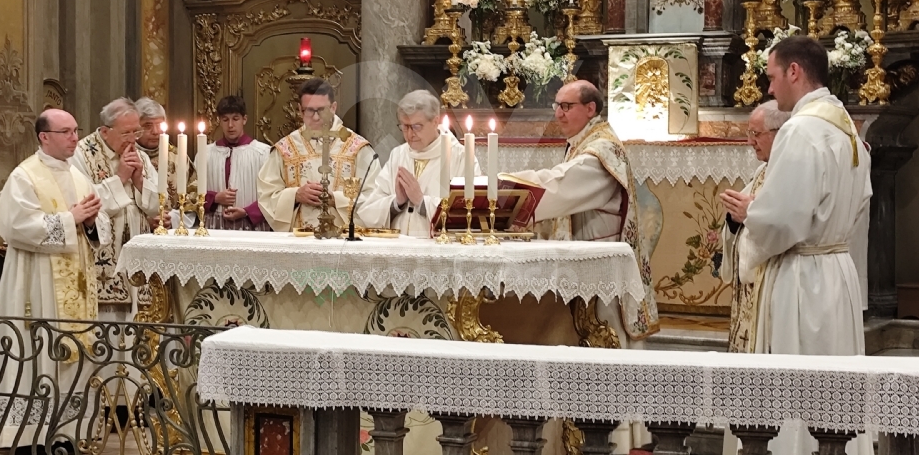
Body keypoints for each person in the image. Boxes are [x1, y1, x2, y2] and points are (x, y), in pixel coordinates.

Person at [722, 35, 871, 356]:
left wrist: (752, 213)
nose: (770, 90)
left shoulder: (800, 129)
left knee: (797, 392)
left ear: (794, 71)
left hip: (803, 281)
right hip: (837, 272)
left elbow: (782, 222)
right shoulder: (846, 127)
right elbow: (861, 201)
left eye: (772, 77)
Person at [506, 80, 660, 344]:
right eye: (557, 106)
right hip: (587, 268)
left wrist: (505, 186)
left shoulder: (602, 150)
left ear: (590, 108)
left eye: (566, 106)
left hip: (600, 274)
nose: (558, 114)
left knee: (605, 352)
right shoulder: (584, 143)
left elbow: (559, 188)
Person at [0, 108, 110, 449]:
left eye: (76, 130)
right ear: (45, 137)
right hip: (37, 280)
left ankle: (68, 432)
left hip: (76, 281)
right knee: (38, 349)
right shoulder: (25, 176)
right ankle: (32, 435)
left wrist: (88, 224)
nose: (75, 137)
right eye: (66, 132)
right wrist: (69, 218)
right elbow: (14, 226)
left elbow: (98, 223)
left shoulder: (78, 177)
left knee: (73, 352)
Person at [71, 97, 159, 321]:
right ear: (105, 131)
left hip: (137, 254)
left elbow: (157, 206)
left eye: (136, 132)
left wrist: (139, 181)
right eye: (126, 133)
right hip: (103, 257)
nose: (132, 140)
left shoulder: (140, 156)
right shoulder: (81, 155)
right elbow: (86, 204)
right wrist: (120, 178)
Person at [257, 78, 379, 232]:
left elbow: (376, 199)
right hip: (300, 242)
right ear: (300, 110)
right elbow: (266, 195)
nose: (315, 117)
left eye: (321, 110)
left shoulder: (357, 149)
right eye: (309, 110)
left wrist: (336, 199)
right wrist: (295, 195)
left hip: (343, 244)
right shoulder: (286, 148)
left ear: (333, 107)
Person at [720, 100, 789, 353]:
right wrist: (734, 215)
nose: (750, 141)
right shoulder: (764, 170)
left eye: (755, 134)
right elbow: (743, 213)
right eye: (749, 134)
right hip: (750, 285)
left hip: (771, 283)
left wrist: (749, 212)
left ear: (779, 133)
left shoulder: (786, 173)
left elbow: (781, 223)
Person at [360, 90, 479, 237]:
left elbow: (470, 212)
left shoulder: (461, 157)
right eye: (404, 126)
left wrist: (422, 202)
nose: (409, 134)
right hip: (398, 248)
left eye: (416, 127)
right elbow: (369, 210)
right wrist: (397, 202)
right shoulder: (398, 154)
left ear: (435, 121)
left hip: (439, 250)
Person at [204, 95, 271, 230]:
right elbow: (191, 192)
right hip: (215, 227)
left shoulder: (263, 153)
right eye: (225, 120)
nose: (230, 125)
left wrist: (247, 211)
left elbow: (273, 195)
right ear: (219, 121)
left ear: (244, 119)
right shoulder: (205, 154)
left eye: (235, 119)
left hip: (252, 227)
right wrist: (215, 198)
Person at [133, 96, 196, 229]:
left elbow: (193, 198)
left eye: (160, 126)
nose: (156, 132)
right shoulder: (128, 157)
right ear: (136, 127)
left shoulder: (178, 157)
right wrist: (144, 220)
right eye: (147, 126)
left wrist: (172, 219)